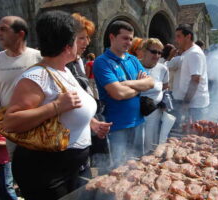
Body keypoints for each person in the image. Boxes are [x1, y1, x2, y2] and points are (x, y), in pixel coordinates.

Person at [2, 11, 112, 200]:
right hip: (46, 173)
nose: (83, 44)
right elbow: (10, 122)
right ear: (68, 45)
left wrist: (91, 123)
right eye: (79, 39)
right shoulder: (37, 76)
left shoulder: (64, 70)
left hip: (72, 167)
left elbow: (72, 109)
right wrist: (56, 107)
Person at [0, 15, 42, 200]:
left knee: (42, 172)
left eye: (3, 29)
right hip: (11, 129)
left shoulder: (38, 57)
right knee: (19, 172)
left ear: (20, 34)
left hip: (40, 127)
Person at [93, 21, 154, 167]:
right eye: (125, 38)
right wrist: (139, 86)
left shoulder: (132, 59)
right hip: (117, 126)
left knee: (138, 164)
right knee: (118, 168)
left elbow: (151, 83)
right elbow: (118, 94)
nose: (129, 42)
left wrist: (127, 84)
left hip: (138, 122)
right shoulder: (102, 62)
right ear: (112, 37)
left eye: (131, 39)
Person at [172, 24, 210, 124]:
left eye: (179, 36)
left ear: (188, 36)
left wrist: (186, 103)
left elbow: (195, 79)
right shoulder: (187, 52)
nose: (176, 40)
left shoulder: (194, 53)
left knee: (195, 136)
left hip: (195, 105)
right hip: (191, 103)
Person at [140, 38, 169, 153]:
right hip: (137, 112)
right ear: (144, 51)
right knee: (137, 145)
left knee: (151, 144)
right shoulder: (135, 66)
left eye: (159, 53)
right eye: (153, 52)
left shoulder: (163, 69)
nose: (157, 55)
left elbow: (166, 86)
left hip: (154, 112)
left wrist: (162, 100)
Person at [66, 13, 95, 96]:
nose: (87, 42)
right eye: (82, 38)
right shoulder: (62, 65)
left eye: (88, 37)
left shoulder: (79, 61)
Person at [0, 130, 17, 200]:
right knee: (7, 185)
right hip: (3, 159)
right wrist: (13, 142)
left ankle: (2, 196)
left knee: (4, 182)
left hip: (1, 158)